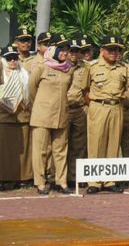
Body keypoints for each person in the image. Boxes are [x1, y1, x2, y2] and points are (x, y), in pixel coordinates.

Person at [81, 35, 128, 194]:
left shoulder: (123, 68)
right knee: (96, 143)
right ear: (102, 50)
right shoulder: (92, 67)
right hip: (98, 106)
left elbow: (127, 88)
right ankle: (94, 181)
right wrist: (94, 105)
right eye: (110, 49)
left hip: (116, 107)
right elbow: (85, 90)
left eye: (117, 49)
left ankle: (110, 180)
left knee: (114, 143)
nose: (114, 52)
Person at [28, 41, 74, 194]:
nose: (64, 53)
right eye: (60, 50)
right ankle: (40, 182)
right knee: (40, 150)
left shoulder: (69, 70)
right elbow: (32, 89)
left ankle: (61, 182)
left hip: (61, 115)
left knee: (60, 150)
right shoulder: (41, 67)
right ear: (52, 51)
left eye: (66, 50)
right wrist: (42, 105)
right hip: (42, 115)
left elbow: (67, 88)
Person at [0, 45, 32, 190]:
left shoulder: (24, 73)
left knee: (23, 151)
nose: (13, 61)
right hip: (4, 118)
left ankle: (23, 178)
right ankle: (5, 179)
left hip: (23, 117)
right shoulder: (1, 73)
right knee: (6, 151)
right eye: (9, 58)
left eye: (15, 58)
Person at [65, 36, 90, 187]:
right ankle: (60, 177)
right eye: (72, 50)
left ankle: (75, 176)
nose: (74, 53)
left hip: (80, 109)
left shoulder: (86, 67)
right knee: (62, 145)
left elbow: (88, 88)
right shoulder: (60, 66)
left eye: (77, 51)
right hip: (64, 109)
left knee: (79, 144)